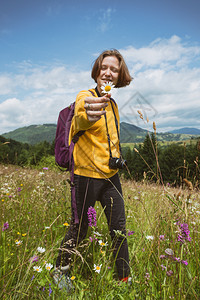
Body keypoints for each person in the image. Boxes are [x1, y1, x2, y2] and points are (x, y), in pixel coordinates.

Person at [53, 49, 133, 290]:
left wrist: (117, 159)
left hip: (111, 177)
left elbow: (111, 141)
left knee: (119, 230)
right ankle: (61, 270)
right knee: (79, 228)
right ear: (97, 71)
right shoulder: (85, 96)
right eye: (104, 67)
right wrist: (88, 113)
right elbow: (81, 116)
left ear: (119, 76)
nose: (108, 72)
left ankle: (124, 280)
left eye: (114, 69)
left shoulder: (115, 105)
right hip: (85, 176)